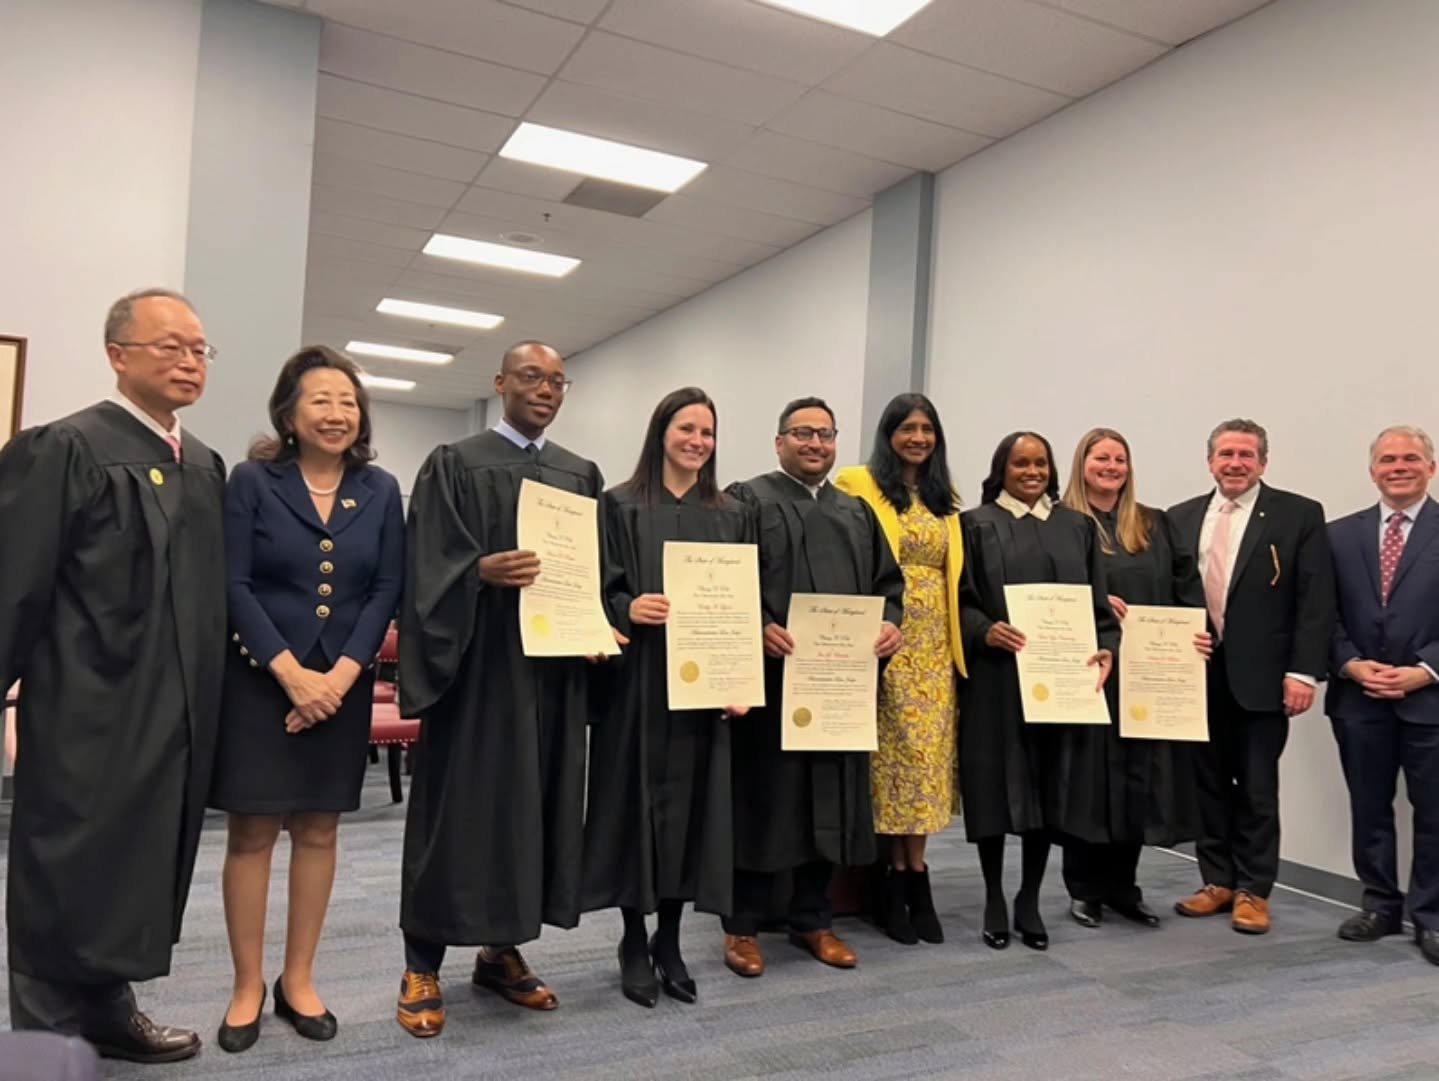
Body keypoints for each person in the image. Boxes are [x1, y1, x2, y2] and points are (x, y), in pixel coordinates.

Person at [0, 288, 226, 1062]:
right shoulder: (62, 447)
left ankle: (107, 1007)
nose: (189, 361)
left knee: (135, 859)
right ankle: (43, 1033)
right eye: (170, 346)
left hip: (176, 706)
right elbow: (13, 585)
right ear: (118, 355)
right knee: (63, 857)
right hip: (86, 701)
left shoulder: (201, 462)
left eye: (199, 349)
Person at [394, 341, 611, 1038]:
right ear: (500, 383)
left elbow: (595, 573)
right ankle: (421, 960)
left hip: (548, 678)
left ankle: (500, 950)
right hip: (478, 672)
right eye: (529, 377)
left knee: (531, 811)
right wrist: (477, 571)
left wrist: (599, 622)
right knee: (460, 811)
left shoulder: (578, 474)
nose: (544, 389)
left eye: (555, 380)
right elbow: (424, 565)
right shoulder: (455, 463)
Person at [209, 346, 404, 1051]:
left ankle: (299, 978)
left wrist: (341, 678)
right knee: (253, 833)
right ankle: (245, 985)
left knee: (320, 830)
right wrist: (292, 674)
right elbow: (235, 585)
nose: (336, 413)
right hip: (262, 682)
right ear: (289, 412)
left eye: (348, 401)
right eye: (321, 399)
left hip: (342, 687)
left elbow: (385, 588)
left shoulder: (379, 488)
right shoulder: (253, 481)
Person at [582, 387, 753, 1008]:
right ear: (662, 433)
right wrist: (628, 605)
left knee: (693, 812)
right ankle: (632, 939)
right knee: (635, 808)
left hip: (703, 687)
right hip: (639, 681)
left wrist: (739, 680)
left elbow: (743, 604)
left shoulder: (732, 512)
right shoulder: (619, 505)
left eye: (707, 432)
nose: (697, 442)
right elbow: (597, 587)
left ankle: (671, 937)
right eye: (687, 428)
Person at [721, 397, 903, 978]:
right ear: (779, 442)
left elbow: (888, 586)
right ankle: (742, 928)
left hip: (837, 687)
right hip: (772, 684)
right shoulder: (746, 499)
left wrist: (889, 625)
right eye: (803, 433)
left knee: (830, 800)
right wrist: (758, 626)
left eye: (825, 434)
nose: (815, 443)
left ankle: (813, 920)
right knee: (764, 801)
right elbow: (723, 579)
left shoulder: (857, 511)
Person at [1168, 419, 1334, 934]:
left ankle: (1253, 891)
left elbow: (1314, 601)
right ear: (1210, 460)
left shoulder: (1298, 514)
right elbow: (1170, 595)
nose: (1235, 463)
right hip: (1197, 676)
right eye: (1225, 454)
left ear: (1263, 462)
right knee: (1208, 785)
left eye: (1246, 454)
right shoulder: (1180, 517)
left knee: (1258, 788)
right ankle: (1216, 881)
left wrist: (1303, 672)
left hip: (1264, 679)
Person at [958, 431, 1117, 951]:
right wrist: (983, 629)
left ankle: (1028, 897)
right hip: (996, 679)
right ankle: (993, 895)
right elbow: (955, 602)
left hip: (1059, 682)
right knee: (991, 786)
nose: (1032, 472)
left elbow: (1098, 608)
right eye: (1021, 463)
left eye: (1041, 464)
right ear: (1001, 468)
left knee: (1047, 788)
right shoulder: (974, 525)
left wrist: (1105, 648)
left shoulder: (1077, 527)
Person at [1056, 428, 1210, 931]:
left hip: (1148, 673)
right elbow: (1050, 596)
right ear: (1082, 464)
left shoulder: (1153, 524)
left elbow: (1187, 590)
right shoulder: (1063, 524)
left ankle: (1124, 888)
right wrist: (1098, 609)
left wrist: (1195, 634)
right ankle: (1083, 890)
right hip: (1092, 672)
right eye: (1101, 458)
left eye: (1120, 459)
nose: (1111, 467)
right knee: (1088, 784)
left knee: (1140, 785)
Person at [835, 393, 965, 945]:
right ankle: (892, 879)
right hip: (886, 639)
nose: (918, 437)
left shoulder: (945, 499)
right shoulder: (857, 484)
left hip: (937, 647)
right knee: (893, 761)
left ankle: (918, 872)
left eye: (927, 428)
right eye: (907, 428)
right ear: (888, 433)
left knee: (930, 762)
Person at [1327, 425, 1439, 964]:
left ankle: (1431, 915)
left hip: (1431, 700)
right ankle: (1379, 904)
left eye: (1411, 458)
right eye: (1389, 459)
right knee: (1369, 805)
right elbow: (1319, 616)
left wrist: (1427, 670)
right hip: (1359, 698)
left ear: (1430, 468)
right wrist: (1349, 663)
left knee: (1434, 811)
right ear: (1372, 470)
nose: (1399, 466)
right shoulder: (1337, 536)